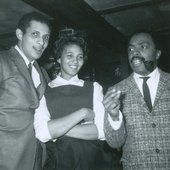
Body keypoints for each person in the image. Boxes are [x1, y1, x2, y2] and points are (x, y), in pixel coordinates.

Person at [34, 29, 116, 170]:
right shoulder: (44, 90)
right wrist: (83, 113)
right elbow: (41, 133)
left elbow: (103, 131)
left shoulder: (94, 87)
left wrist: (55, 129)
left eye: (80, 57)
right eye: (70, 55)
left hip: (93, 161)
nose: (75, 61)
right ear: (59, 58)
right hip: (59, 161)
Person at [103, 31, 170, 170]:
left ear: (157, 53)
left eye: (143, 47)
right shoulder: (115, 91)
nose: (135, 53)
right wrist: (114, 117)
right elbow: (115, 143)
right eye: (131, 49)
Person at [0, 12, 51, 170]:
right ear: (19, 34)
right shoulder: (2, 61)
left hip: (36, 159)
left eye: (46, 37)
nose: (41, 42)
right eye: (35, 34)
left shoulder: (42, 73)